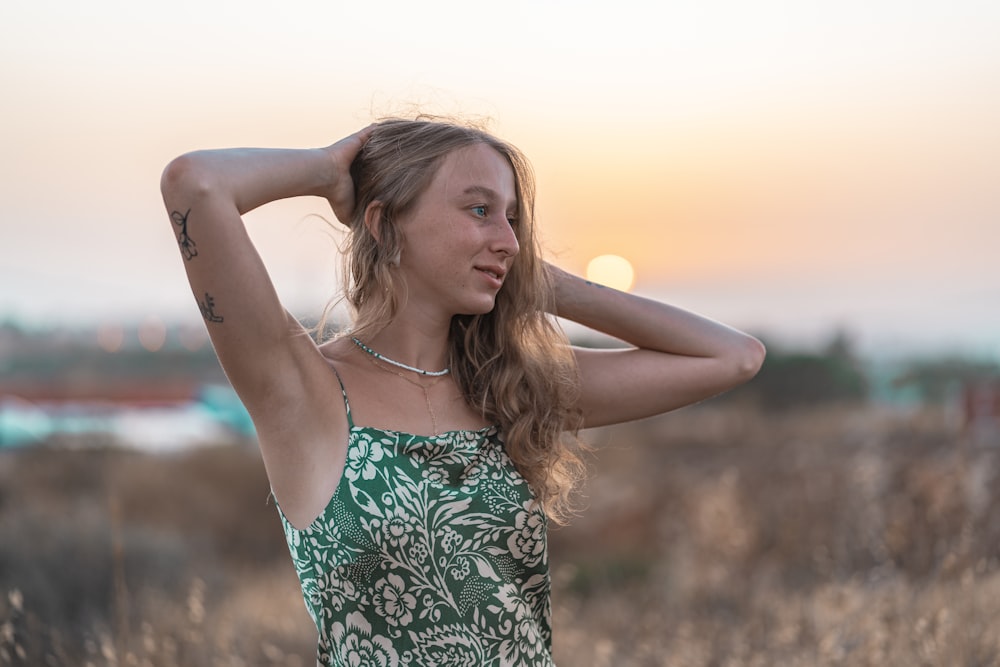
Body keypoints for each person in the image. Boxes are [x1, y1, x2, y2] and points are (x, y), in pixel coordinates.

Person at [159, 117, 765, 666]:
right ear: (384, 223)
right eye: (479, 211)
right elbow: (195, 182)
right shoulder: (302, 392)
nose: (507, 238)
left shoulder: (512, 387)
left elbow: (734, 357)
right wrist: (327, 169)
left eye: (511, 219)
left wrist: (541, 284)